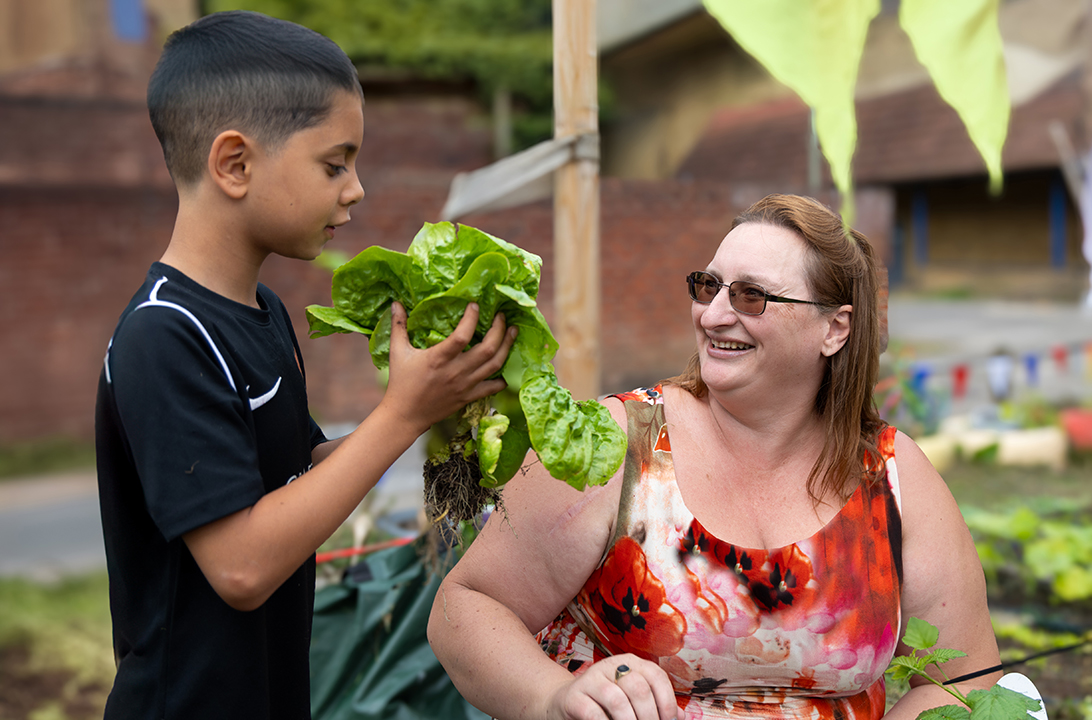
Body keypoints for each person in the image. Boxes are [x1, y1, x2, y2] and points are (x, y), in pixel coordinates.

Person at [428, 194, 1000, 720]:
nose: (715, 314)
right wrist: (553, 697)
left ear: (835, 328)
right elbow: (468, 605)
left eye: (751, 295)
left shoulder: (893, 476)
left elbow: (965, 678)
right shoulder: (617, 441)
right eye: (709, 286)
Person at [94, 11, 515, 720]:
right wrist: (400, 413)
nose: (354, 189)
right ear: (234, 164)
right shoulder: (165, 336)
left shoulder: (260, 309)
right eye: (334, 163)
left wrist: (432, 407)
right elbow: (242, 566)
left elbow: (299, 473)